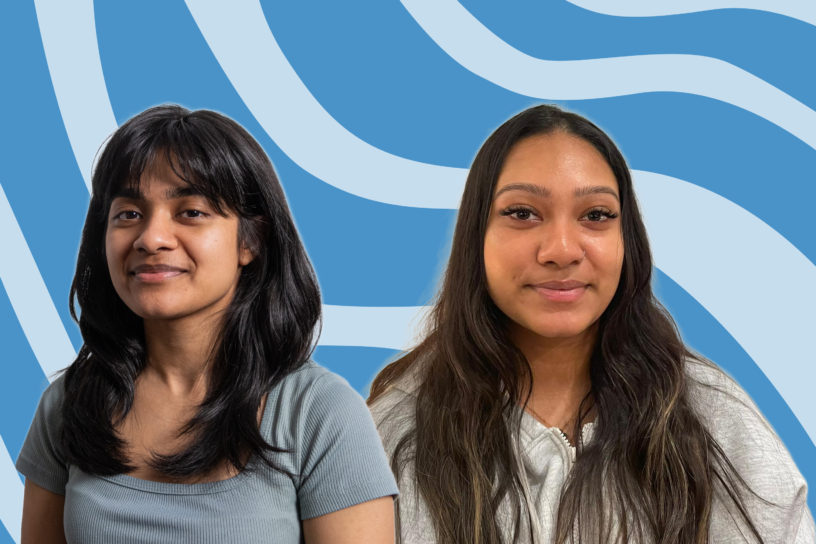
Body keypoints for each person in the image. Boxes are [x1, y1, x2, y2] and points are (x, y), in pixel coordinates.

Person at [368, 104, 814, 543]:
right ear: (475, 238)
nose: (561, 250)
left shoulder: (713, 419)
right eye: (522, 213)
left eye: (596, 216)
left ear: (628, 240)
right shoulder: (390, 436)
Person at [17, 105, 397, 543]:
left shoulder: (320, 414)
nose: (151, 238)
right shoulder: (68, 405)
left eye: (191, 212)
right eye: (128, 214)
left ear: (251, 241)